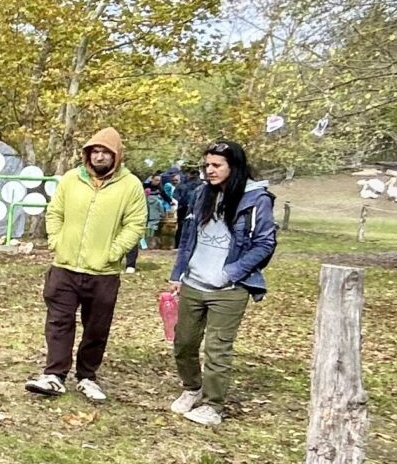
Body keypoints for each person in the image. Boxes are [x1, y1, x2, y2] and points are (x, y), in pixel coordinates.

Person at [26, 127, 143, 403]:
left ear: (116, 156)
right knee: (59, 322)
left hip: (103, 272)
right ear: (87, 154)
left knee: (97, 327)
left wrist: (113, 252)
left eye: (106, 152)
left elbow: (135, 224)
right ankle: (54, 375)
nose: (100, 157)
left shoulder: (130, 185)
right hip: (65, 267)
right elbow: (54, 212)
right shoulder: (70, 179)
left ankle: (87, 376)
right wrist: (56, 240)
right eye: (95, 151)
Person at [166, 142, 278, 427]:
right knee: (184, 342)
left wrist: (232, 272)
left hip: (229, 289)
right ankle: (192, 388)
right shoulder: (203, 193)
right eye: (207, 165)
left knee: (218, 349)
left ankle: (213, 406)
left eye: (217, 166)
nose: (210, 170)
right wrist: (178, 274)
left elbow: (265, 243)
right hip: (194, 282)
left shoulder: (256, 199)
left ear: (234, 167)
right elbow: (188, 237)